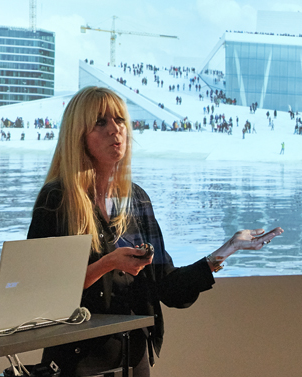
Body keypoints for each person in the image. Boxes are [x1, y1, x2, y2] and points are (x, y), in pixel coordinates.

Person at [27, 86, 283, 377]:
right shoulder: (56, 200)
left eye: (120, 120)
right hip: (77, 363)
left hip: (133, 359)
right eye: (101, 122)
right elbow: (44, 292)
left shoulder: (137, 199)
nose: (116, 130)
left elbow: (168, 288)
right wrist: (108, 264)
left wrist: (225, 251)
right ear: (78, 135)